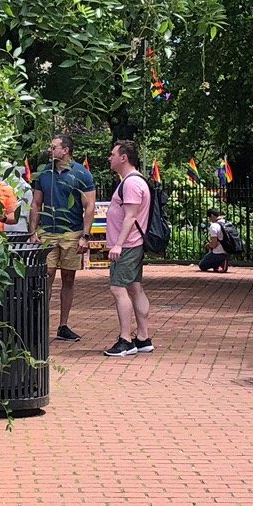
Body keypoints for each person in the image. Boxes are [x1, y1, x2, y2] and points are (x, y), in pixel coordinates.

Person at [31, 134, 98, 341]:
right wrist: (32, 232)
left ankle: (63, 325)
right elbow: (35, 204)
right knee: (46, 276)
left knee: (69, 278)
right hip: (48, 232)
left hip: (72, 231)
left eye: (54, 147)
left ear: (65, 150)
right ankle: (40, 323)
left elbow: (89, 206)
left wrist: (85, 236)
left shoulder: (82, 174)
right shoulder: (44, 174)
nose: (50, 151)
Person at [103, 140, 153, 357]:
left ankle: (126, 340)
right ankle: (143, 337)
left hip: (128, 245)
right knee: (134, 288)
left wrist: (118, 245)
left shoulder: (131, 183)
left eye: (113, 154)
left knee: (118, 289)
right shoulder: (136, 181)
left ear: (123, 158)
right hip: (133, 245)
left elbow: (130, 217)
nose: (110, 157)